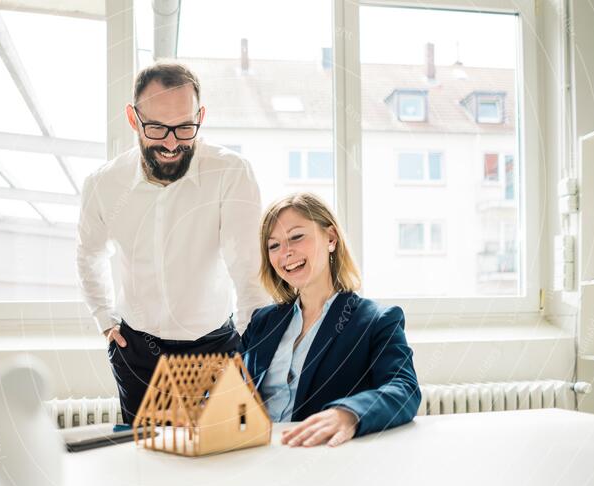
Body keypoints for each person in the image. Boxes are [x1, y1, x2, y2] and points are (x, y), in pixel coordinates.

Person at [76, 62, 268, 425]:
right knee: (146, 466)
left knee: (221, 464)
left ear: (201, 117)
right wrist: (104, 319)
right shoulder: (103, 184)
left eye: (184, 127)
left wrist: (250, 346)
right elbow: (89, 254)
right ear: (133, 119)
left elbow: (248, 269)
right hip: (137, 354)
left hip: (217, 349)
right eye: (156, 128)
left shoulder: (231, 173)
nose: (171, 142)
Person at [240, 193, 420, 447]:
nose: (285, 253)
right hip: (255, 456)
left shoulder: (377, 321)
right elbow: (228, 388)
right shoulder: (262, 322)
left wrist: (347, 414)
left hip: (319, 459)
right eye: (274, 245)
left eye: (296, 237)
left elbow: (404, 390)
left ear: (331, 239)